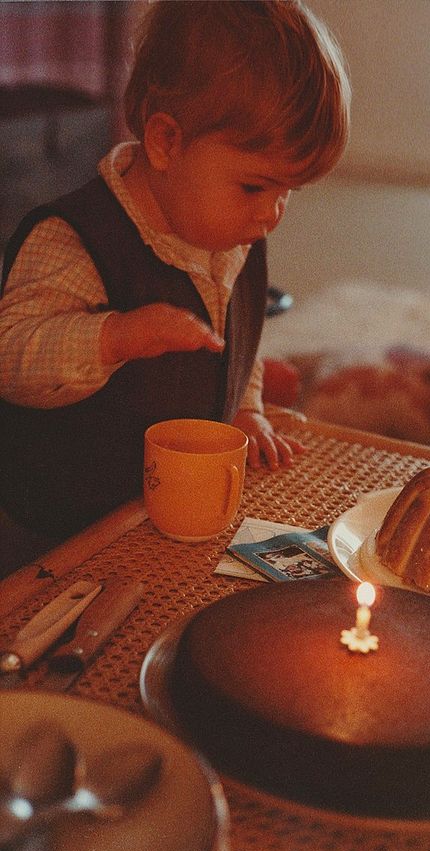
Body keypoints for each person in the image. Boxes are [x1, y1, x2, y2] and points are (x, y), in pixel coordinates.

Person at [0, 0, 351, 556]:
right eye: (256, 187)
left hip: (163, 520)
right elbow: (11, 358)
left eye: (289, 193)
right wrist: (114, 337)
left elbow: (242, 339)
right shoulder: (75, 240)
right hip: (57, 537)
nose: (272, 214)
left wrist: (246, 408)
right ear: (166, 143)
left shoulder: (230, 237)